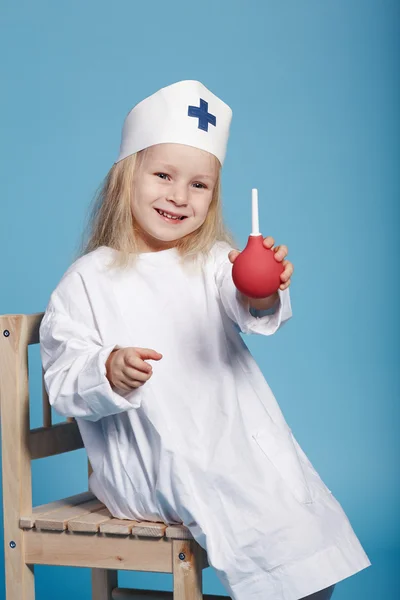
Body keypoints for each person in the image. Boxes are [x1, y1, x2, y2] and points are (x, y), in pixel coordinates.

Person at [39, 80, 371, 600]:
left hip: (227, 445)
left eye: (199, 185)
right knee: (243, 496)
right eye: (164, 175)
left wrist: (262, 285)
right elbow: (62, 378)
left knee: (289, 508)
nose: (179, 195)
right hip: (145, 461)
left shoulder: (212, 260)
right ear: (127, 178)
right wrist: (107, 369)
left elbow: (247, 302)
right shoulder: (87, 280)